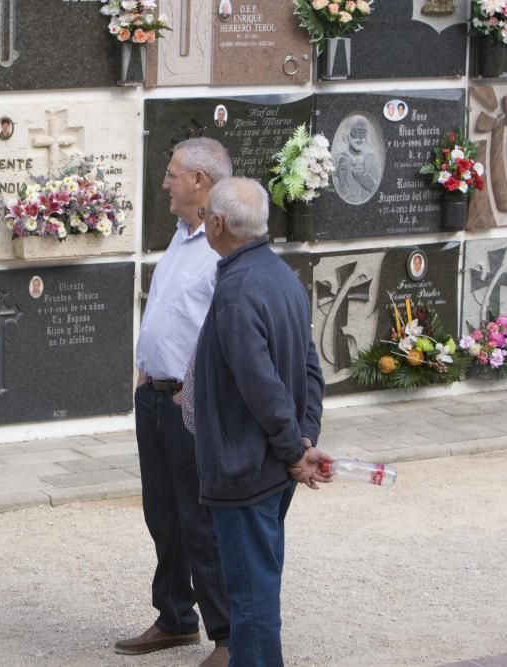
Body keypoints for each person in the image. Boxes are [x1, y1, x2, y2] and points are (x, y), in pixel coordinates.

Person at [194, 177, 330, 665]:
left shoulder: (238, 289)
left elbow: (261, 385)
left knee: (250, 601)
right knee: (259, 587)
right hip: (272, 464)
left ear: (217, 223)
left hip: (246, 468)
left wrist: (296, 448)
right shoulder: (281, 274)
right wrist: (304, 437)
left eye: (205, 213)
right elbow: (311, 370)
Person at [119, 137, 232, 667]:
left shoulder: (221, 245)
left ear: (200, 183)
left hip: (190, 404)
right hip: (155, 398)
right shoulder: (183, 235)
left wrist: (195, 388)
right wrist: (147, 373)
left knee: (199, 520)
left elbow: (222, 330)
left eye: (171, 173)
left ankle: (228, 635)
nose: (164, 182)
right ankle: (175, 616)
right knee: (161, 514)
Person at [334, 120, 379, 205]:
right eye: (355, 132)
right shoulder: (339, 159)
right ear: (347, 135)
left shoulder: (371, 159)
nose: (360, 138)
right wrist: (341, 181)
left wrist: (368, 182)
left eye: (363, 132)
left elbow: (379, 191)